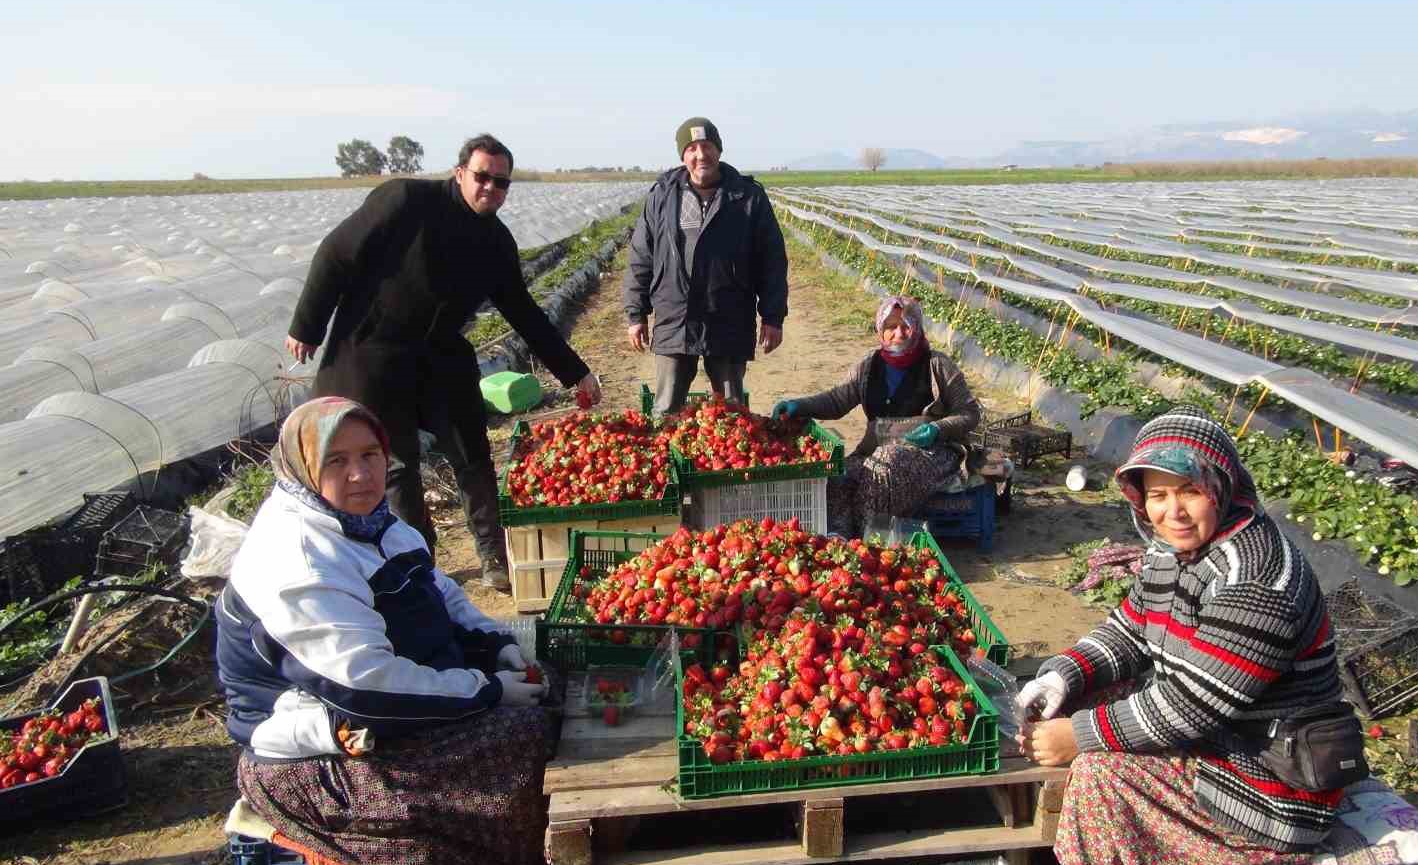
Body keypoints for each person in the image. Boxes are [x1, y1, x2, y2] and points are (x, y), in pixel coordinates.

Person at [215, 397, 551, 865]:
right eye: (336, 460)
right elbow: (366, 688)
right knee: (524, 744)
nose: (360, 474)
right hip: (323, 751)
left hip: (387, 714)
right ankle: (519, 863)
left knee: (553, 689)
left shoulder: (374, 523)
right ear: (303, 466)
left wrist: (492, 642)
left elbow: (442, 595)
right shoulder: (298, 559)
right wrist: (488, 690)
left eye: (369, 454)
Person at [1015, 406, 1349, 865]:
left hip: (1275, 778)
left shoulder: (1256, 581)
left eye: (1190, 491)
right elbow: (1130, 629)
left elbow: (1193, 705)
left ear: (1222, 487)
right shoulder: (1171, 548)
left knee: (1099, 774)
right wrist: (1063, 673)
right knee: (1079, 700)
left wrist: (1080, 736)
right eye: (1158, 495)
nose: (1173, 512)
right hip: (1221, 736)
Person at [284, 133, 602, 591]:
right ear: (459, 173)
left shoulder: (495, 242)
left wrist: (575, 373)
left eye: (501, 182)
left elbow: (525, 313)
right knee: (397, 466)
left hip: (439, 353)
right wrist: (307, 326)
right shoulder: (406, 201)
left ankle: (494, 556)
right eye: (482, 176)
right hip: (375, 349)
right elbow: (336, 253)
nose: (491, 187)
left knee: (471, 452)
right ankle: (421, 564)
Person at [770, 296, 981, 537]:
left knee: (883, 467)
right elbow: (838, 400)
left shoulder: (937, 365)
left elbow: (970, 413)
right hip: (876, 451)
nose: (898, 333)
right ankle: (839, 539)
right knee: (840, 474)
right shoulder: (869, 365)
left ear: (918, 328)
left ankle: (870, 542)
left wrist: (938, 429)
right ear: (880, 330)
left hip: (931, 454)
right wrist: (799, 405)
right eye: (890, 326)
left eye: (906, 325)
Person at [622, 116, 788, 414]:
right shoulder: (662, 195)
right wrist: (636, 313)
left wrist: (773, 316)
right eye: (693, 148)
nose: (701, 155)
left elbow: (772, 260)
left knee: (730, 412)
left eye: (707, 146)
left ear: (719, 150)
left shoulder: (748, 197)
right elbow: (641, 256)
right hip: (675, 316)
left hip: (729, 316)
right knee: (666, 409)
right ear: (683, 154)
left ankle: (724, 462)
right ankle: (673, 461)